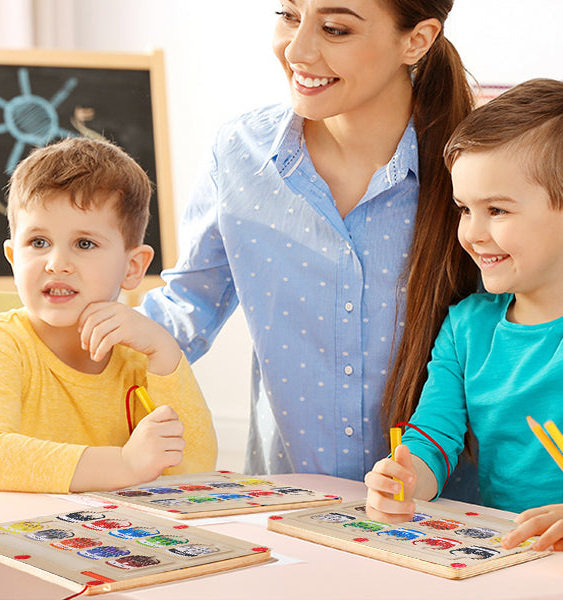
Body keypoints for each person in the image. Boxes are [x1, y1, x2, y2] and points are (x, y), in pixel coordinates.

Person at [141, 0, 478, 482]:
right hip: (289, 509)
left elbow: (535, 321)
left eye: (336, 29)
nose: (296, 50)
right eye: (288, 16)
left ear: (416, 40)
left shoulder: (474, 168)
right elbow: (183, 311)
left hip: (449, 525)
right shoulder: (240, 153)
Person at [365, 78, 563, 551]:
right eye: (463, 209)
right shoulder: (466, 326)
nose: (472, 232)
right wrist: (406, 477)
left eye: (497, 210)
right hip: (507, 554)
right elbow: (434, 435)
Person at [0, 137, 217, 494]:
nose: (56, 264)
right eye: (38, 242)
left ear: (132, 267)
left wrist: (164, 351)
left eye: (84, 244)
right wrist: (125, 465)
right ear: (12, 256)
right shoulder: (5, 345)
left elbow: (194, 469)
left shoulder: (139, 356)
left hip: (113, 540)